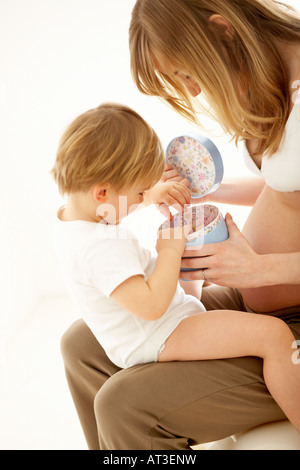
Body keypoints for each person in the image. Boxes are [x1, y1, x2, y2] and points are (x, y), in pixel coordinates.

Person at [59, 0, 300, 450]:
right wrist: (209, 195)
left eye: (187, 75)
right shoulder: (274, 78)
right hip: (258, 300)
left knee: (122, 406)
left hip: (290, 318)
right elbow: (286, 191)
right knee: (81, 345)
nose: (191, 93)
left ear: (222, 30)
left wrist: (262, 271)